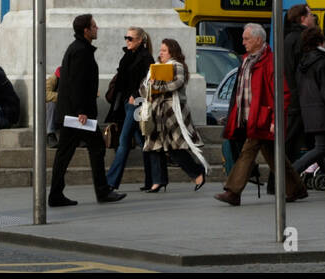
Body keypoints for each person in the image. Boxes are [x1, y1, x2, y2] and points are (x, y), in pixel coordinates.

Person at [216, 23, 307, 206]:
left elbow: (282, 93)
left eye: (246, 39)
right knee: (275, 156)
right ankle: (296, 188)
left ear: (258, 40)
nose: (243, 42)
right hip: (251, 117)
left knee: (247, 152)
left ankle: (233, 191)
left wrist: (275, 119)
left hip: (263, 118)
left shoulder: (269, 62)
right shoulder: (247, 60)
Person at [49, 14, 127, 207]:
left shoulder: (78, 49)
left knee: (67, 152)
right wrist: (81, 111)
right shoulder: (81, 51)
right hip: (78, 115)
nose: (97, 28)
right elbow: (77, 84)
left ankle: (56, 194)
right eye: (94, 26)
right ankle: (101, 191)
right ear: (86, 30)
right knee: (96, 147)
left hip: (73, 113)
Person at [140, 39, 208, 192]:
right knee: (153, 146)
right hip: (155, 112)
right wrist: (150, 86)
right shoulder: (154, 68)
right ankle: (158, 181)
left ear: (172, 51)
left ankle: (197, 172)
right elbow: (143, 88)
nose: (160, 53)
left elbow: (177, 83)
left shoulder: (177, 66)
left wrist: (156, 85)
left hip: (173, 111)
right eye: (160, 50)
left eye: (164, 50)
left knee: (175, 148)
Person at [105, 27, 157, 192]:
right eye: (126, 37)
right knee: (142, 143)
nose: (127, 40)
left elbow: (149, 81)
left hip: (137, 103)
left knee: (124, 141)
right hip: (126, 105)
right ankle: (153, 179)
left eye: (131, 38)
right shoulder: (127, 56)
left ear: (140, 40)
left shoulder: (146, 58)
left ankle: (110, 182)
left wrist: (135, 95)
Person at [291, 25, 325, 193]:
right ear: (321, 41)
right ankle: (290, 173)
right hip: (323, 113)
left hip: (308, 113)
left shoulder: (302, 64)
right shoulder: (323, 62)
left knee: (323, 154)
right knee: (322, 149)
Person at [282, 4, 313, 161]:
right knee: (292, 143)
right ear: (302, 19)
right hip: (299, 100)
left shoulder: (289, 38)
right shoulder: (302, 39)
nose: (313, 18)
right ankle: (276, 182)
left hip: (295, 98)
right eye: (310, 15)